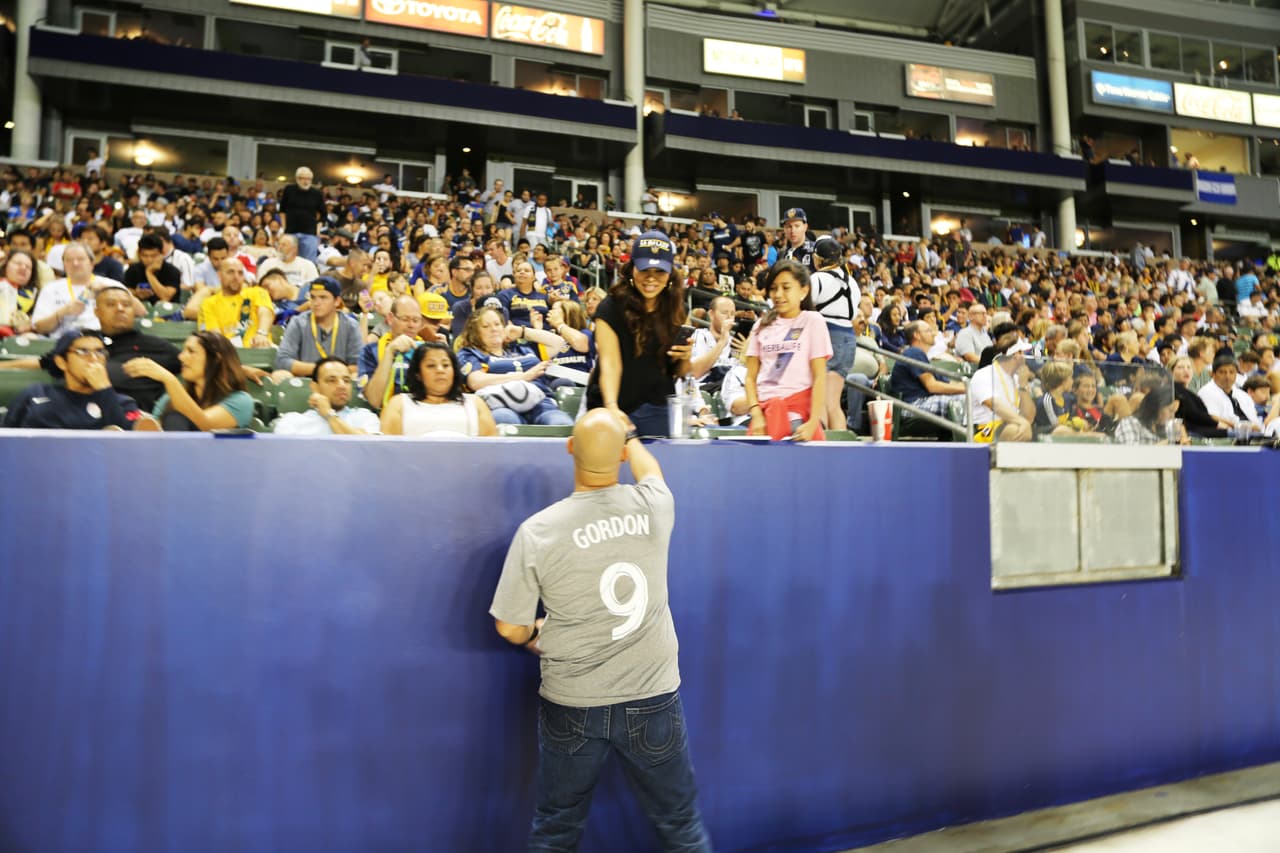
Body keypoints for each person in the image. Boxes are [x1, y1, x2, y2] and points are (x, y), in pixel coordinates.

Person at [490, 409, 713, 852]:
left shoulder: (538, 531)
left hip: (572, 701)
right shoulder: (654, 505)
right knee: (680, 824)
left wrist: (539, 630)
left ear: (570, 448)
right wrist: (629, 441)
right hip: (652, 697)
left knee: (556, 828)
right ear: (621, 454)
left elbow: (509, 629)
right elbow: (651, 470)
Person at [586, 231, 693, 436]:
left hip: (658, 405)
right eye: (644, 269)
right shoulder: (610, 307)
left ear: (670, 273)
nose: (651, 278)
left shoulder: (678, 311)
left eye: (659, 271)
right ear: (631, 269)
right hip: (612, 400)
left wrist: (685, 357)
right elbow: (610, 364)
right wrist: (611, 408)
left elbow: (681, 371)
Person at [743, 259, 832, 441]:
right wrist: (756, 413)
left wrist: (813, 421)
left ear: (804, 290)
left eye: (786, 287)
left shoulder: (813, 321)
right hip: (764, 420)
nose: (778, 294)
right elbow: (750, 377)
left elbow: (820, 377)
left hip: (799, 420)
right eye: (774, 288)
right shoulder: (761, 325)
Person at [3, 331, 147, 430]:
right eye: (83, 352)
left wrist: (104, 389)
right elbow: (6, 437)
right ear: (62, 362)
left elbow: (127, 447)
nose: (94, 358)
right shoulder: (35, 393)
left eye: (99, 352)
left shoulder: (123, 403)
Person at [456, 306, 574, 427]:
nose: (494, 329)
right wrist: (524, 376)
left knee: (561, 424)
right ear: (475, 332)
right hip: (500, 405)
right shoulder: (470, 353)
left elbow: (558, 343)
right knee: (505, 421)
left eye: (497, 324)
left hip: (540, 402)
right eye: (486, 326)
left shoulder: (522, 349)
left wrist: (521, 331)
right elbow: (476, 382)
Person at [125, 331, 254, 431]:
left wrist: (169, 379)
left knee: (175, 419)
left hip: (215, 462)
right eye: (183, 351)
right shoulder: (170, 398)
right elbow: (152, 430)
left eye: (191, 351)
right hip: (168, 459)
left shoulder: (241, 401)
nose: (181, 357)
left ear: (215, 359)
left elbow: (205, 424)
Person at [379, 341, 497, 437]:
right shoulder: (399, 404)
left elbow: (491, 451)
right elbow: (388, 451)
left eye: (446, 365)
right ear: (418, 374)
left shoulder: (475, 404)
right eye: (431, 365)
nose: (440, 370)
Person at [31, 242, 143, 338]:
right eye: (69, 260)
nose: (75, 263)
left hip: (105, 339)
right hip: (62, 342)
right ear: (64, 265)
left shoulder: (110, 284)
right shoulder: (51, 288)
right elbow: (39, 328)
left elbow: (141, 312)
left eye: (80, 259)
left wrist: (109, 291)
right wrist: (62, 312)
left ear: (92, 263)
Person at [273, 276, 361, 381]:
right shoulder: (298, 322)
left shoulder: (350, 325)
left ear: (337, 301)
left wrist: (332, 374)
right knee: (279, 375)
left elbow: (357, 364)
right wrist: (320, 370)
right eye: (313, 297)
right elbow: (282, 361)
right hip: (306, 380)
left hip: (338, 382)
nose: (316, 303)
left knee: (357, 377)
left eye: (323, 297)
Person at [810, 236, 858, 430]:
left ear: (817, 258)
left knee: (819, 399)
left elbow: (806, 307)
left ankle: (820, 448)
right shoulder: (853, 282)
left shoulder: (817, 278)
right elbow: (854, 312)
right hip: (849, 337)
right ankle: (839, 448)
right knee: (834, 403)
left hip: (827, 333)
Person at [273, 357, 381, 436]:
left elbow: (368, 448)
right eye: (331, 380)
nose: (342, 385)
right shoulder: (292, 421)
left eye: (346, 380)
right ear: (315, 387)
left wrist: (329, 415)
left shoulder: (365, 417)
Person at [889, 320, 965, 418]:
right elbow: (932, 386)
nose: (933, 334)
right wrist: (965, 390)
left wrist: (967, 387)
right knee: (965, 401)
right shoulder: (913, 352)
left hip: (925, 401)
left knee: (973, 399)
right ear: (917, 335)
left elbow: (947, 382)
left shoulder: (921, 355)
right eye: (928, 331)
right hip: (913, 405)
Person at [197, 257, 275, 348]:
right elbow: (215, 338)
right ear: (219, 275)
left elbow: (265, 312)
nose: (236, 277)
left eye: (240, 273)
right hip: (229, 355)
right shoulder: (208, 304)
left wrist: (262, 333)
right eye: (231, 272)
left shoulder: (257, 292)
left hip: (260, 350)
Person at [969, 338, 1033, 442]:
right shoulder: (984, 374)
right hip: (985, 427)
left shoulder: (1017, 378)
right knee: (1016, 431)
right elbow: (994, 404)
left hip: (1011, 423)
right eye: (1022, 352)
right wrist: (1021, 421)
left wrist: (1023, 386)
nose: (1025, 357)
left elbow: (1029, 416)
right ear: (1015, 355)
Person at [281, 167, 325, 263]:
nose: (306, 181)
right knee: (287, 260)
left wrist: (317, 230)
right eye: (303, 178)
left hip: (310, 234)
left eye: (308, 179)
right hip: (291, 232)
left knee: (308, 263)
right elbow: (282, 211)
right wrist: (284, 228)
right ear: (297, 179)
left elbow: (323, 214)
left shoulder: (317, 193)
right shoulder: (289, 190)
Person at [122, 232, 181, 304]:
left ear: (162, 254)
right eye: (145, 256)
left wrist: (149, 273)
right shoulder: (133, 269)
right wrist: (137, 293)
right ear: (139, 254)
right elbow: (125, 292)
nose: (149, 260)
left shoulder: (172, 271)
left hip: (167, 312)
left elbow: (166, 297)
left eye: (153, 256)